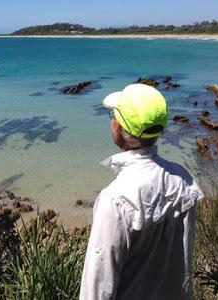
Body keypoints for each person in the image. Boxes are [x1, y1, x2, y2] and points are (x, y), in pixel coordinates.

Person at [80, 83, 204, 300]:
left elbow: (97, 287)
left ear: (118, 128)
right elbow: (183, 256)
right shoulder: (183, 179)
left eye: (113, 116)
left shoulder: (115, 200)